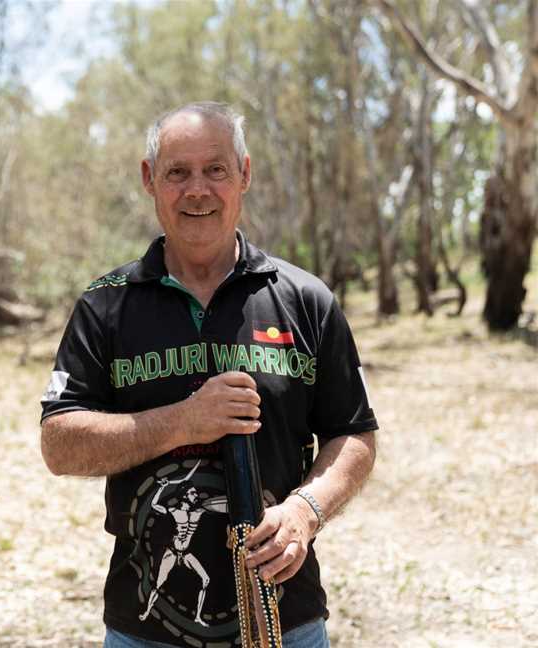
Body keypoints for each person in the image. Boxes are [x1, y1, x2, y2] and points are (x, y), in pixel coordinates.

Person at [40, 101, 377, 648]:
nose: (198, 190)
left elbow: (355, 433)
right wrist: (182, 421)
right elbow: (59, 444)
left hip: (284, 621)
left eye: (215, 169)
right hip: (144, 629)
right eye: (178, 172)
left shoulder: (306, 300)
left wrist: (304, 512)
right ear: (150, 180)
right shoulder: (106, 306)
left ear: (244, 174)